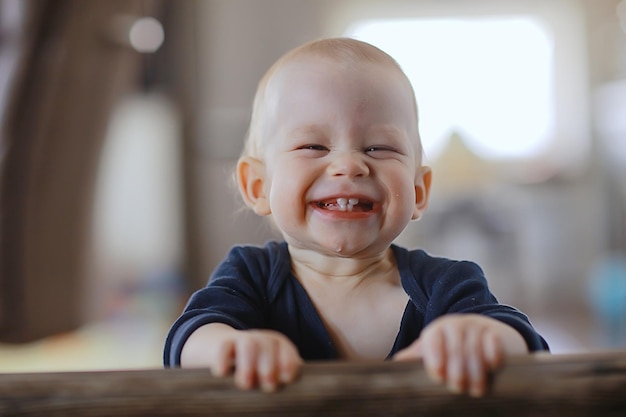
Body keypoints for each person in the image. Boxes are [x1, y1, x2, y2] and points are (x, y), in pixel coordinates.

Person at [164, 37, 549, 397]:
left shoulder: (446, 285)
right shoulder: (250, 276)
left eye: (379, 148)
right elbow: (188, 340)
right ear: (258, 185)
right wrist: (230, 347)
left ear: (418, 191)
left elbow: (526, 345)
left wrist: (480, 335)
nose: (349, 165)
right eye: (313, 145)